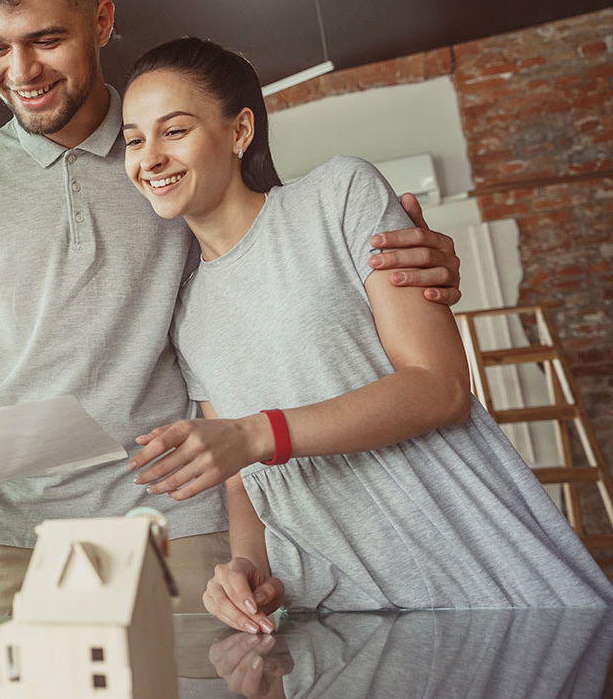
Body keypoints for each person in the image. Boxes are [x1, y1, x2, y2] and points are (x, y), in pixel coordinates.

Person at [0, 0, 465, 617]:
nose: (20, 72)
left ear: (102, 21)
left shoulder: (179, 158)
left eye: (46, 39)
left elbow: (281, 258)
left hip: (183, 521)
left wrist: (411, 262)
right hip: (16, 537)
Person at [121, 36, 613, 634]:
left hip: (484, 578)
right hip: (345, 613)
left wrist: (257, 433)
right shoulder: (187, 315)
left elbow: (440, 387)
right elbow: (242, 479)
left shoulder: (339, 197)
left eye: (174, 131)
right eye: (134, 139)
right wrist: (245, 564)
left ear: (240, 130)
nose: (149, 157)